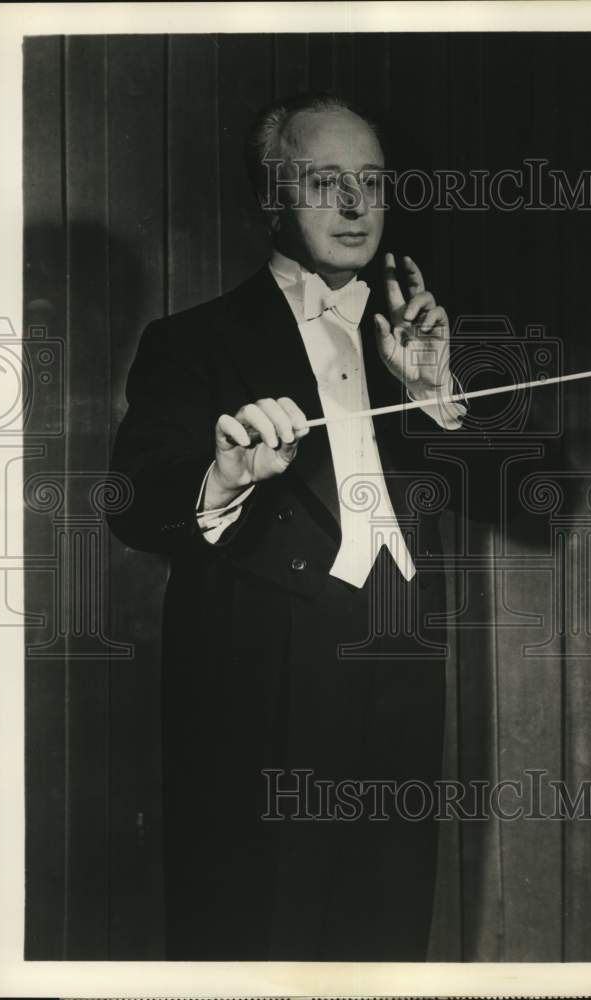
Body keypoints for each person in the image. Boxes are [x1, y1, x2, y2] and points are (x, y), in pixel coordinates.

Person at [108, 92, 471, 961]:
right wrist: (223, 474)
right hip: (260, 675)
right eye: (324, 182)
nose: (354, 206)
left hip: (399, 662)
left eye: (371, 183)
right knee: (255, 929)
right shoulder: (192, 340)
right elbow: (131, 499)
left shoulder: (414, 339)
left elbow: (529, 500)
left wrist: (435, 392)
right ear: (273, 197)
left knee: (388, 930)